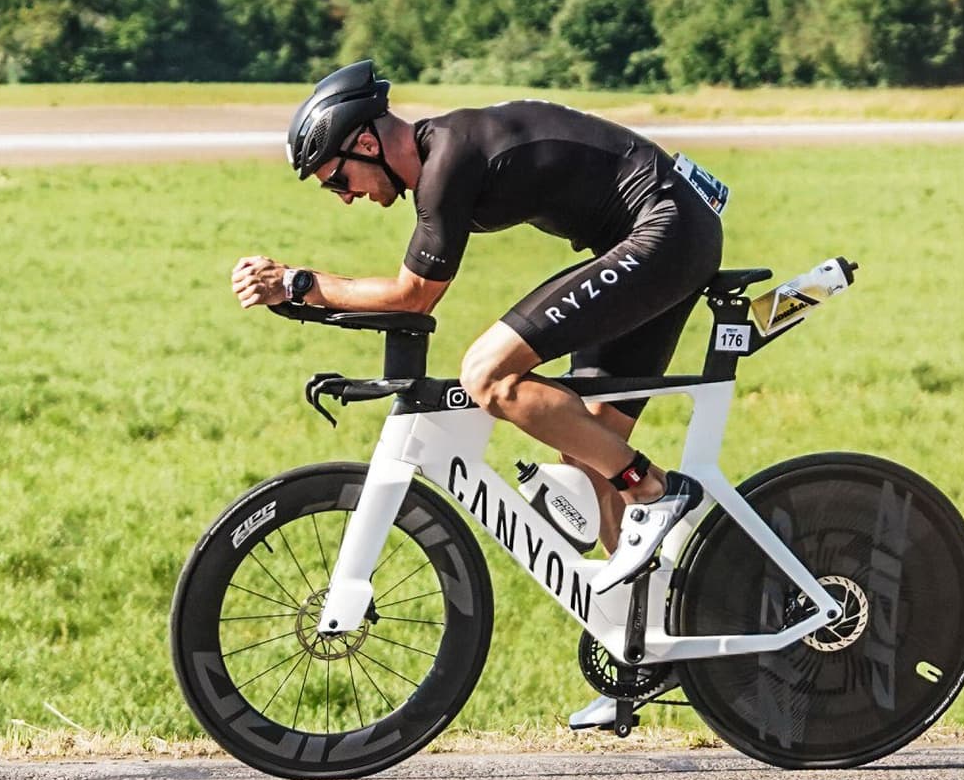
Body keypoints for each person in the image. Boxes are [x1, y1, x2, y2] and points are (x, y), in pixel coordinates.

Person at [230, 61, 723, 570]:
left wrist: (297, 284)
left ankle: (655, 491)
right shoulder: (444, 151)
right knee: (588, 449)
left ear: (368, 145)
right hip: (666, 235)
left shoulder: (447, 161)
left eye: (337, 179)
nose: (346, 196)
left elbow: (413, 295)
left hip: (666, 230)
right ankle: (654, 612)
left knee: (489, 376)